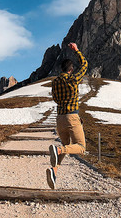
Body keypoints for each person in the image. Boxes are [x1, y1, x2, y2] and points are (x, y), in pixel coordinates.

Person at [46, 42, 88, 189]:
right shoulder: (73, 79)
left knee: (66, 145)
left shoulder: (55, 82)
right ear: (71, 70)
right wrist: (77, 50)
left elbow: (55, 99)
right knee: (81, 147)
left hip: (60, 119)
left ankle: (54, 171)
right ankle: (59, 150)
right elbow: (84, 65)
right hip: (72, 117)